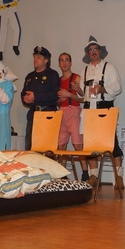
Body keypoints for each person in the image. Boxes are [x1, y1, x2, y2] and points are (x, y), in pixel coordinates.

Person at [71, 36, 124, 188]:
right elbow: (84, 95)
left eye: (95, 49)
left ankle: (119, 176)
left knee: (112, 144)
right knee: (89, 145)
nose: (93, 52)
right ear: (88, 54)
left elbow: (118, 87)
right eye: (90, 50)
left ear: (100, 51)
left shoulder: (109, 67)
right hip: (89, 111)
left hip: (104, 109)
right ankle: (94, 176)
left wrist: (103, 89)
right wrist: (78, 89)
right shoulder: (85, 70)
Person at [21, 46, 60, 151]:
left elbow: (55, 94)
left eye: (38, 57)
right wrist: (26, 98)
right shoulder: (30, 76)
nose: (35, 59)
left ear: (46, 60)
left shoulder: (52, 74)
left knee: (46, 149)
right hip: (33, 115)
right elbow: (23, 94)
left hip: (47, 115)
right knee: (30, 147)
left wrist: (35, 96)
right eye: (34, 57)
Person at [56, 53, 88, 181]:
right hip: (61, 113)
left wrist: (69, 94)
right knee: (61, 145)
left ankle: (85, 173)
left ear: (71, 63)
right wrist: (59, 100)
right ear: (59, 64)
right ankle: (62, 173)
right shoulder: (57, 80)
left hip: (74, 111)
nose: (64, 63)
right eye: (61, 60)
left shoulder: (77, 78)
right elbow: (56, 100)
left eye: (66, 60)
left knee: (77, 144)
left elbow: (83, 99)